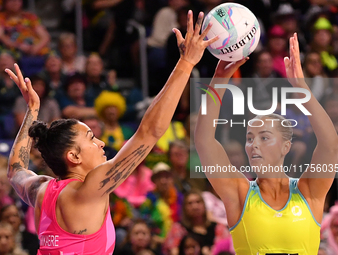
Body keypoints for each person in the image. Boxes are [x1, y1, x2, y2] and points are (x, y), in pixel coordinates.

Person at [5, 10, 218, 255]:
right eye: (91, 138)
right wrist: (187, 63)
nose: (101, 142)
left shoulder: (42, 190)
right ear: (74, 156)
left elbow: (16, 170)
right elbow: (149, 132)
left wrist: (32, 111)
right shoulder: (89, 189)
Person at [195, 33, 338, 254]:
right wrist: (219, 80)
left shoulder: (308, 191)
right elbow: (204, 142)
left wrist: (302, 89)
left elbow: (330, 146)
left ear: (286, 146)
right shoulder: (240, 193)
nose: (254, 144)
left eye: (264, 137)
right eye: (249, 139)